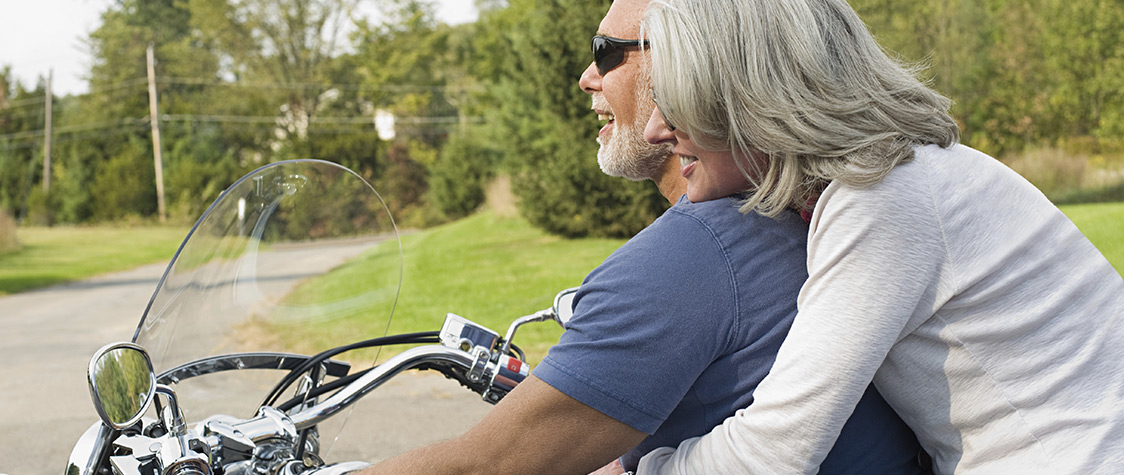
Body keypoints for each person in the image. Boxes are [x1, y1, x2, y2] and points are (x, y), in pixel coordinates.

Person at [358, 1, 924, 473]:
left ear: (696, 63)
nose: (587, 76)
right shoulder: (812, 216)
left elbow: (486, 466)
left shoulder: (693, 259)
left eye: (607, 51)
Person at [635, 0, 1124, 473]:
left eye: (675, 102)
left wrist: (639, 470)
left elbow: (773, 452)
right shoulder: (913, 172)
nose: (656, 129)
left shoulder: (883, 200)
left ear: (750, 98)